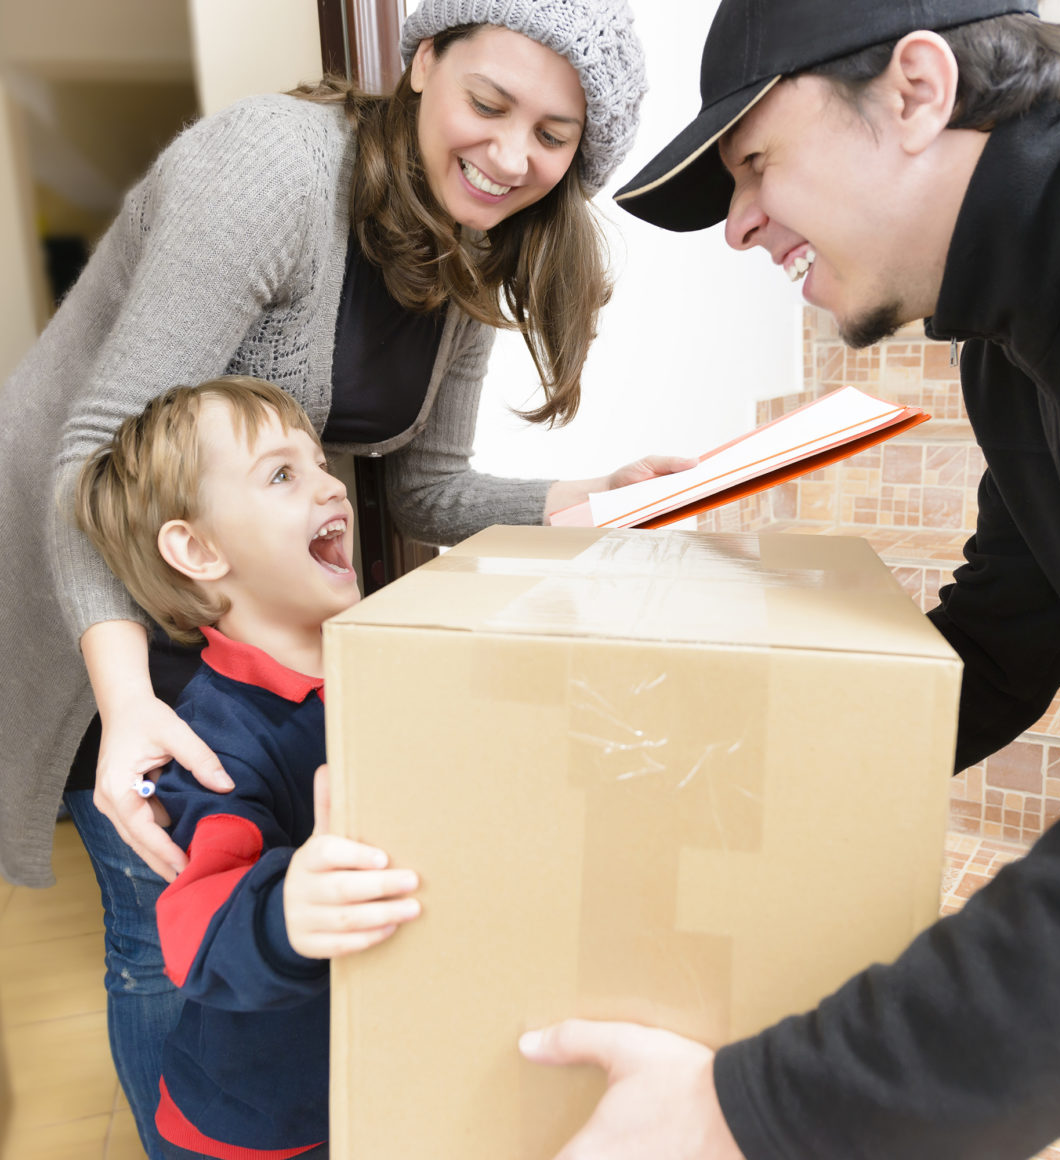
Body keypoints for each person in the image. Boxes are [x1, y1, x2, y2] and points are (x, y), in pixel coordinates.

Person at [0, 1, 690, 1154]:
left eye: (553, 135)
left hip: (240, 593)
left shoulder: (476, 238)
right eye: (487, 103)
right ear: (421, 63)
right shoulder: (267, 172)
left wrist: (587, 498)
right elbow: (91, 455)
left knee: (278, 905)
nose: (512, 155)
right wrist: (125, 701)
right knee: (156, 922)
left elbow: (425, 490)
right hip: (89, 567)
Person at [518, 1, 1060, 1158]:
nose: (737, 225)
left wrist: (739, 1112)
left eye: (755, 161)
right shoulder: (1010, 347)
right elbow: (992, 650)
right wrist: (714, 754)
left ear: (915, 89)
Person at [74, 374, 422, 1159]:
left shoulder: (376, 669)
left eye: (319, 462)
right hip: (257, 1133)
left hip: (366, 1092)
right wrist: (283, 912)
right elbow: (197, 929)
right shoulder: (214, 743)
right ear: (198, 549)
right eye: (281, 474)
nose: (330, 483)